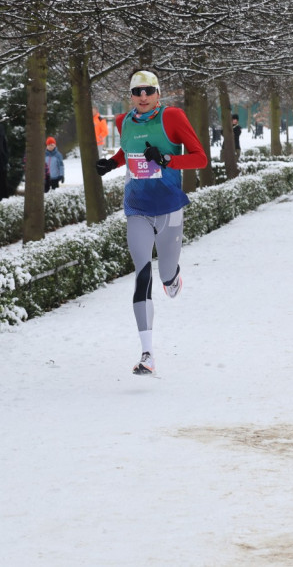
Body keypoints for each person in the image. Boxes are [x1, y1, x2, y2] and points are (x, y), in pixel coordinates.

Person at [94, 70, 207, 376]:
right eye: (136, 91)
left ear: (159, 93)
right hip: (137, 208)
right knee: (142, 272)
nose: (142, 97)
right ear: (130, 95)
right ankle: (147, 354)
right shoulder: (123, 121)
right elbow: (129, 152)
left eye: (148, 91)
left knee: (165, 274)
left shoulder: (173, 117)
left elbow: (200, 158)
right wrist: (112, 163)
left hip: (169, 208)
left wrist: (168, 160)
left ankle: (173, 279)